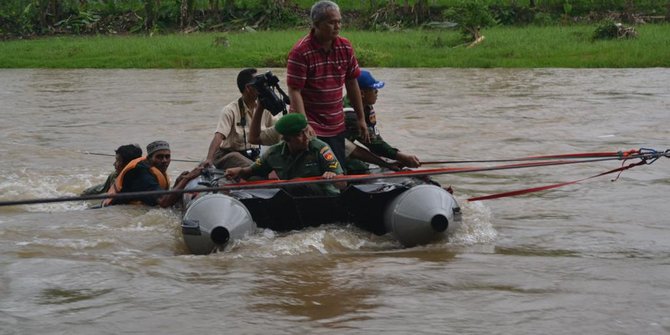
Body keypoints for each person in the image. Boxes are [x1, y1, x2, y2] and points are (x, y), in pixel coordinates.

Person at [286, 0, 369, 167]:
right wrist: (305, 124)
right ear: (317, 24)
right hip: (311, 125)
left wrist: (361, 118)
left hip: (336, 124)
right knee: (312, 172)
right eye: (332, 22)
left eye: (339, 21)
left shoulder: (345, 47)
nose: (337, 26)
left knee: (337, 172)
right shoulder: (301, 52)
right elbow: (295, 90)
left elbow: (352, 82)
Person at [225, 113, 345, 196]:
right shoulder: (273, 153)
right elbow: (251, 171)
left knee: (298, 184)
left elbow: (342, 183)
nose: (306, 137)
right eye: (300, 135)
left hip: (324, 198)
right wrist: (240, 171)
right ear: (287, 139)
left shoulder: (320, 149)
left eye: (306, 132)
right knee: (256, 180)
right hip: (292, 198)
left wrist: (333, 177)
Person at [344, 69, 421, 173]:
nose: (377, 93)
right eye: (374, 90)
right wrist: (400, 156)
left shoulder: (367, 106)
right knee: (359, 168)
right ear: (362, 93)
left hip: (348, 147)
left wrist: (388, 157)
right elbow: (373, 143)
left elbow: (375, 136)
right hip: (336, 149)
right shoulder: (350, 115)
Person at [203, 68, 276, 170]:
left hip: (253, 156)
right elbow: (218, 136)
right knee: (237, 157)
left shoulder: (264, 109)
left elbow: (276, 132)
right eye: (258, 82)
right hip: (228, 155)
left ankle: (258, 170)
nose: (263, 86)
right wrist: (209, 159)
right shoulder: (230, 110)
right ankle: (257, 171)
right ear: (248, 88)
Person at [103, 140, 202, 208]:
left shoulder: (155, 170)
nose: (164, 160)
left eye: (167, 157)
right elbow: (164, 202)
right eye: (159, 157)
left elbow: (162, 196)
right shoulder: (142, 174)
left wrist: (178, 183)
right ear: (149, 159)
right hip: (113, 210)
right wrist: (187, 179)